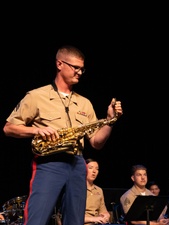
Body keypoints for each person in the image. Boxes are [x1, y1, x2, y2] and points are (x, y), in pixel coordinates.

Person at [3, 45, 123, 225]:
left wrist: (110, 121)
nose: (80, 72)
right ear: (60, 64)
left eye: (82, 69)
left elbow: (96, 143)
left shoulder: (84, 103)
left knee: (75, 220)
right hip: (49, 163)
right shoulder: (37, 96)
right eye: (76, 67)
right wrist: (35, 130)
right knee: (37, 218)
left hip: (77, 164)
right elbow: (8, 128)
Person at [84, 158, 111, 225]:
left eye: (97, 169)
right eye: (91, 168)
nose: (94, 171)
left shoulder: (99, 190)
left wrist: (106, 215)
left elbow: (103, 211)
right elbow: (73, 216)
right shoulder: (77, 189)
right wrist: (93, 219)